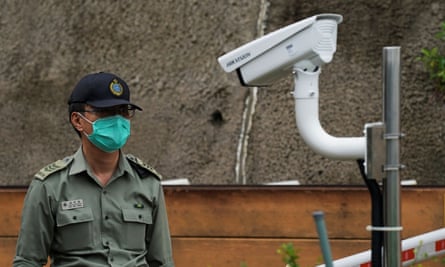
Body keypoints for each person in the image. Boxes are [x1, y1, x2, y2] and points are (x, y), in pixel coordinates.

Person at [13, 72, 175, 267]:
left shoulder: (148, 183)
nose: (117, 120)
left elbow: (162, 262)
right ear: (78, 120)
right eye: (105, 111)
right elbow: (27, 261)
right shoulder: (50, 185)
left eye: (123, 111)